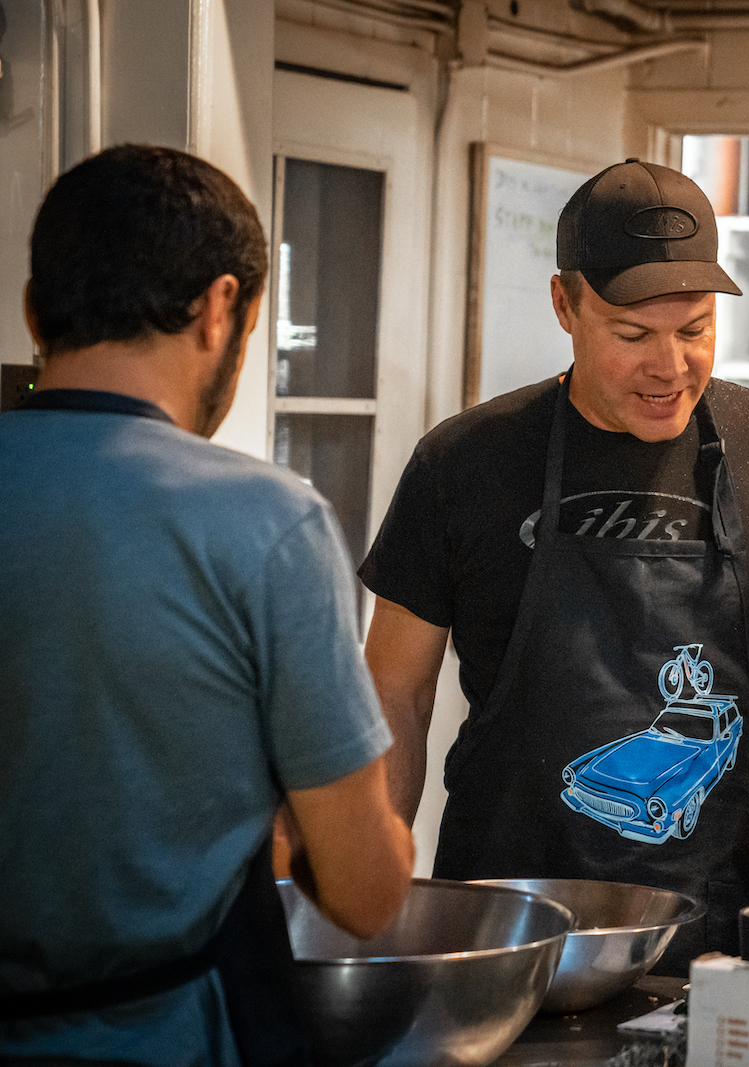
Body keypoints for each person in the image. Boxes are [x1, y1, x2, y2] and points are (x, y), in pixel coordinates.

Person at [360, 159, 749, 970]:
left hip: (705, 936)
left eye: (694, 330)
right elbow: (394, 688)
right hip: (496, 927)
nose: (670, 366)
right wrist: (375, 884)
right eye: (633, 335)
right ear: (564, 305)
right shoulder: (464, 463)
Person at [0, 145, 414, 1067]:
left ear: (35, 313)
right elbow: (364, 893)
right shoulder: (263, 522)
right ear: (221, 306)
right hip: (170, 1035)